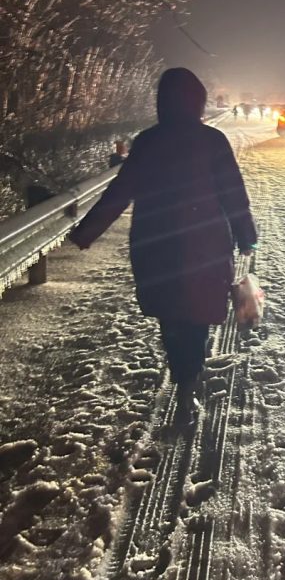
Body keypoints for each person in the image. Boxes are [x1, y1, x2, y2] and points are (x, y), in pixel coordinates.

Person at [70, 68, 257, 420]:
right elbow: (234, 194)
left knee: (172, 317)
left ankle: (183, 378)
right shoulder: (212, 141)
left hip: (156, 246)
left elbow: (119, 192)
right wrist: (246, 236)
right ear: (199, 102)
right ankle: (189, 382)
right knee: (197, 315)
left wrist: (86, 232)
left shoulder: (147, 142)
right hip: (205, 244)